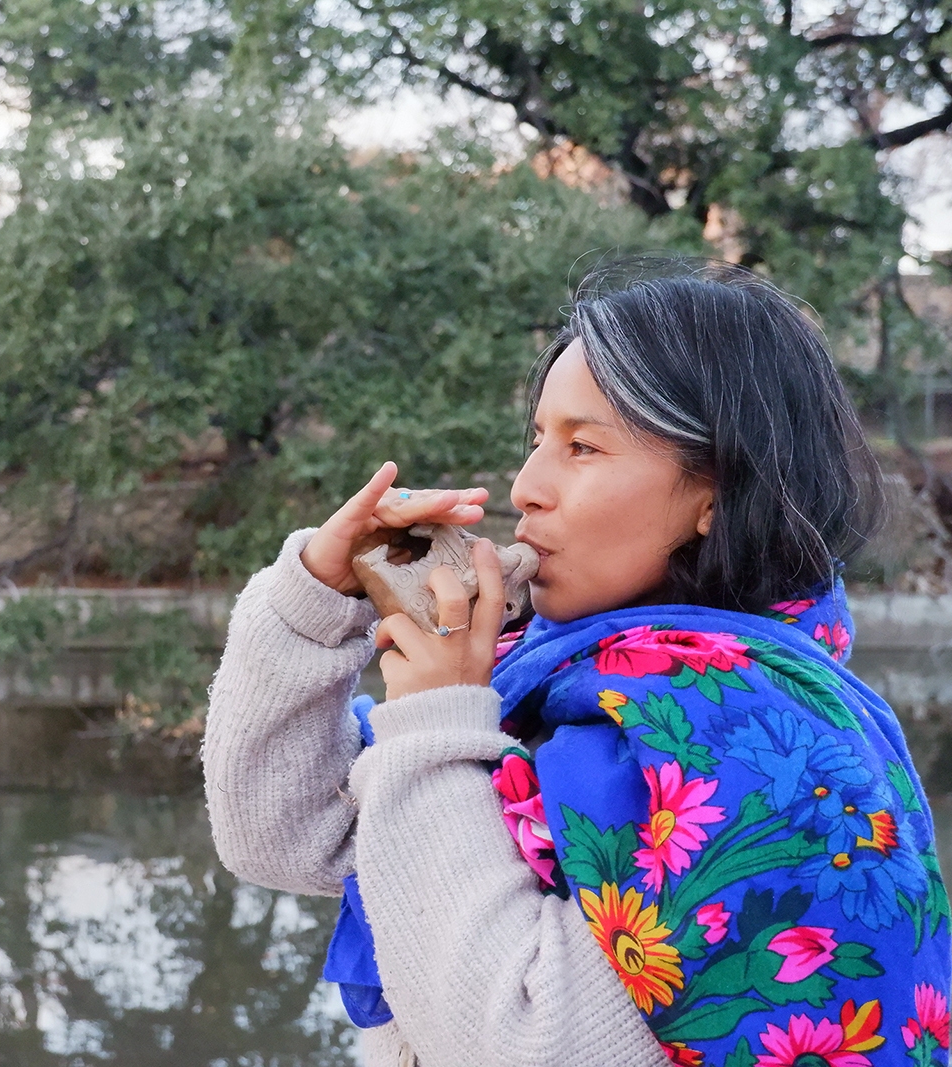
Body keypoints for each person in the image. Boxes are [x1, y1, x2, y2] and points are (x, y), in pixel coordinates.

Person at [203, 262, 951, 1067]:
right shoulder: (545, 682)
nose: (525, 488)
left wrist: (433, 720)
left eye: (581, 447)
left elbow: (517, 1044)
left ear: (716, 491)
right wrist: (317, 594)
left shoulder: (763, 747)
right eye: (537, 442)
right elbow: (278, 835)